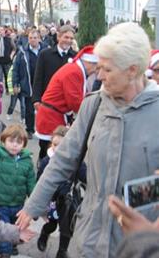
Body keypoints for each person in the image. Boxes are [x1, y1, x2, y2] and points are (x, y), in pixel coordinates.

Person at [16, 22, 159, 257]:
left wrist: (131, 198)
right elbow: (64, 158)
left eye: (108, 70)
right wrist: (33, 206)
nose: (99, 75)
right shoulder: (94, 104)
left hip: (136, 245)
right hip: (88, 240)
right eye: (98, 67)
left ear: (133, 70)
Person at [0, 124, 36, 258]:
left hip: (18, 204)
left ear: (24, 144)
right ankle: (5, 253)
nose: (14, 145)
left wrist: (34, 205)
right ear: (3, 140)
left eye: (19, 142)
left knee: (16, 226)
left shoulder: (27, 161)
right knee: (4, 229)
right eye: (11, 141)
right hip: (0, 203)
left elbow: (31, 183)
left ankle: (14, 244)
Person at [35, 46, 99, 160]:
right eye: (95, 66)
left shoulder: (74, 69)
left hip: (53, 114)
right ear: (89, 62)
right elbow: (75, 102)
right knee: (51, 153)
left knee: (49, 151)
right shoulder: (75, 72)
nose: (95, 70)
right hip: (51, 117)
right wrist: (92, 114)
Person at [36, 125, 86, 258]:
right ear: (51, 143)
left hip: (69, 200)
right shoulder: (46, 161)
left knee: (67, 229)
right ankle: (44, 234)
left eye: (62, 145)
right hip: (52, 200)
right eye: (55, 144)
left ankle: (62, 250)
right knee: (51, 225)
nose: (57, 148)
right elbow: (39, 182)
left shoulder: (75, 162)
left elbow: (85, 177)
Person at [31, 25, 77, 158]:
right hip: (47, 105)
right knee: (45, 141)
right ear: (58, 37)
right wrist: (36, 99)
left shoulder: (74, 58)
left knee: (62, 140)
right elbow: (38, 78)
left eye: (71, 38)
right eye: (65, 37)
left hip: (64, 107)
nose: (68, 40)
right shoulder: (45, 54)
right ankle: (43, 165)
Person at [12, 30, 44, 138]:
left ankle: (43, 129)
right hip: (28, 84)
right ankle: (29, 129)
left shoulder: (45, 51)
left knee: (44, 109)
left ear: (39, 38)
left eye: (35, 37)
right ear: (28, 39)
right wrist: (15, 84)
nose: (33, 40)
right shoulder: (22, 52)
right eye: (31, 38)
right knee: (29, 109)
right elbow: (15, 69)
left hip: (43, 85)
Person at [0, 26, 16, 94]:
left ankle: (8, 89)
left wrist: (11, 56)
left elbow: (14, 48)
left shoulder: (9, 39)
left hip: (7, 61)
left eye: (1, 30)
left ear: (4, 31)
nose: (0, 32)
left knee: (7, 76)